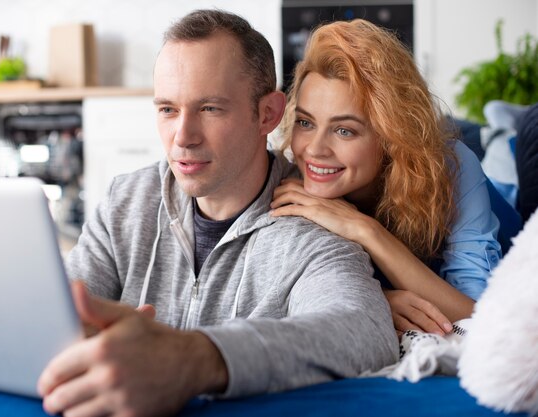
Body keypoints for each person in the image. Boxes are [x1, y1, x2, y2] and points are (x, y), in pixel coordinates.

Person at [37, 10, 398, 417]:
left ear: (268, 114)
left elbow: (362, 331)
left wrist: (189, 358)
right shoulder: (128, 199)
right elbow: (55, 311)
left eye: (210, 109)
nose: (183, 138)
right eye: (168, 110)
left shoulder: (315, 223)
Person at [271, 19, 502, 337]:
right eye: (306, 123)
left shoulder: (453, 167)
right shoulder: (292, 180)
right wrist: (374, 298)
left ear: (391, 135)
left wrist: (366, 230)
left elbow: (481, 316)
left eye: (344, 130)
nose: (314, 150)